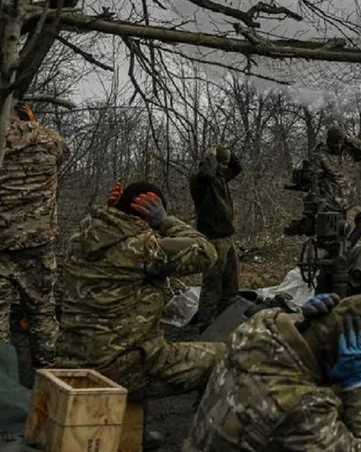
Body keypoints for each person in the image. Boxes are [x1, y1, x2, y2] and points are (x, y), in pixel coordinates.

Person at [57, 181, 226, 401]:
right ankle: (208, 431)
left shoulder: (79, 239)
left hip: (70, 359)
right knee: (223, 357)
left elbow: (108, 227)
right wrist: (165, 221)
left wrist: (113, 211)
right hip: (114, 368)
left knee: (140, 341)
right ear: (147, 217)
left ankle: (132, 430)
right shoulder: (144, 249)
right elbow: (206, 253)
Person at [183, 293, 361, 452]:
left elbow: (298, 366)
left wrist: (301, 320)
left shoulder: (259, 327)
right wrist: (357, 385)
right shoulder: (305, 406)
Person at [0, 101, 69, 368]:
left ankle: (5, 389)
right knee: (42, 313)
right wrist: (34, 125)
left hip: (1, 243)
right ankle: (51, 383)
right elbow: (63, 154)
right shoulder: (48, 139)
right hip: (37, 242)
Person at [189, 145, 242, 329]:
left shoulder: (221, 178)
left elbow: (238, 166)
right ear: (213, 163)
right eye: (222, 164)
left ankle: (225, 320)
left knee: (231, 283)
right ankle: (206, 324)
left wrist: (226, 149)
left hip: (226, 238)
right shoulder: (202, 181)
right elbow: (206, 175)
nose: (226, 168)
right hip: (212, 238)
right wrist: (211, 156)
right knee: (212, 284)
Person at [312, 125, 361, 223]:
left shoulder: (347, 150)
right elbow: (314, 180)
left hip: (346, 203)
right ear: (329, 142)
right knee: (330, 234)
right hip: (329, 204)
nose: (338, 146)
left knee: (343, 232)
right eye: (335, 143)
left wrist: (348, 141)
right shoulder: (320, 155)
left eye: (340, 143)